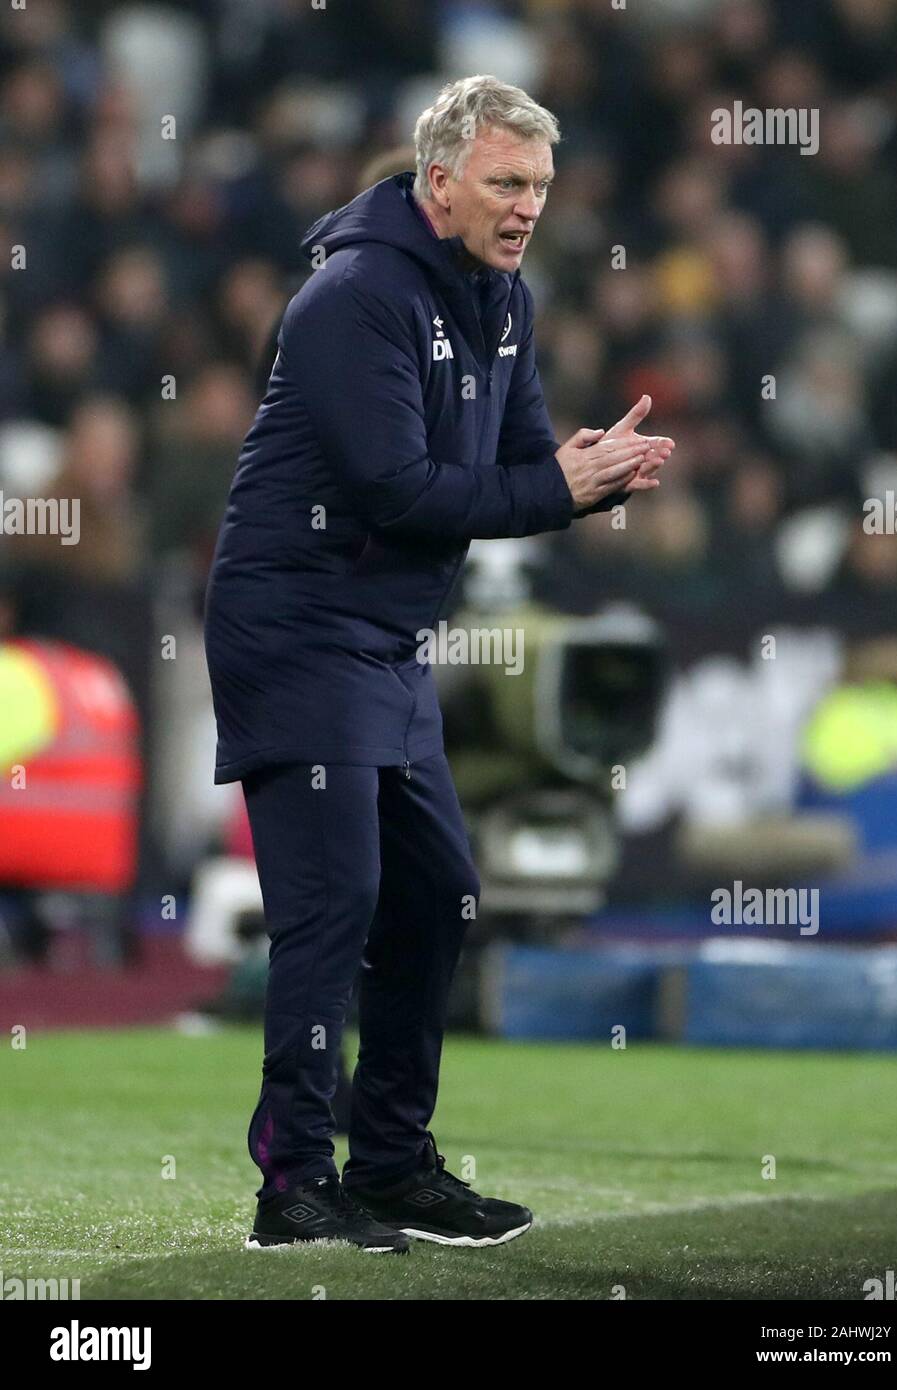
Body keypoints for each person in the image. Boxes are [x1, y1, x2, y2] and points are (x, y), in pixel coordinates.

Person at [203, 74, 674, 1254]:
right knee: (334, 905)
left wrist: (581, 475)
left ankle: (398, 1163)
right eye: (507, 183)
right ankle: (294, 1188)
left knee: (440, 895)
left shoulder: (502, 298)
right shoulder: (354, 295)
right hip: (300, 624)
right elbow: (395, 488)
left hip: (388, 642)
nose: (526, 208)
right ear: (440, 181)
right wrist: (544, 488)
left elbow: (517, 468)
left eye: (541, 189)